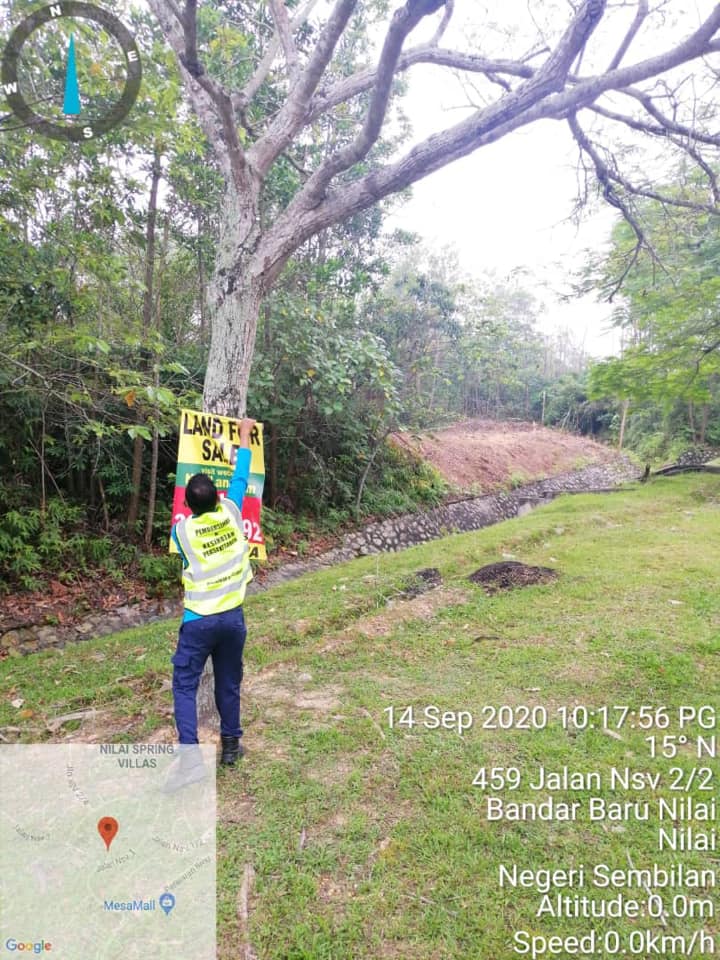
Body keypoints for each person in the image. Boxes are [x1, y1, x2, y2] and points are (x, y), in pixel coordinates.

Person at [164, 417, 256, 790]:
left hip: (198, 621)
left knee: (184, 686)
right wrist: (244, 435)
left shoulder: (182, 531)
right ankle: (231, 746)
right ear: (218, 499)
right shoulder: (232, 513)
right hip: (232, 619)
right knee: (229, 682)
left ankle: (190, 761)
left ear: (187, 505)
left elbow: (185, 523)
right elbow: (241, 477)